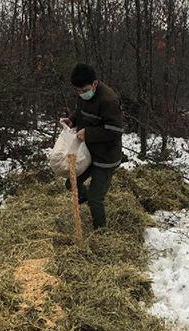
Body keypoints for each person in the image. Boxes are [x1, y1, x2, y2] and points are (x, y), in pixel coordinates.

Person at [61, 63, 124, 229]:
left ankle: (100, 231)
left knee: (96, 198)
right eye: (78, 91)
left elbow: (115, 131)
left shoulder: (108, 100)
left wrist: (88, 133)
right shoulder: (83, 94)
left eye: (84, 90)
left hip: (106, 158)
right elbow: (80, 112)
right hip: (89, 153)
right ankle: (85, 199)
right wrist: (72, 120)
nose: (81, 94)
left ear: (95, 83)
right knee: (71, 183)